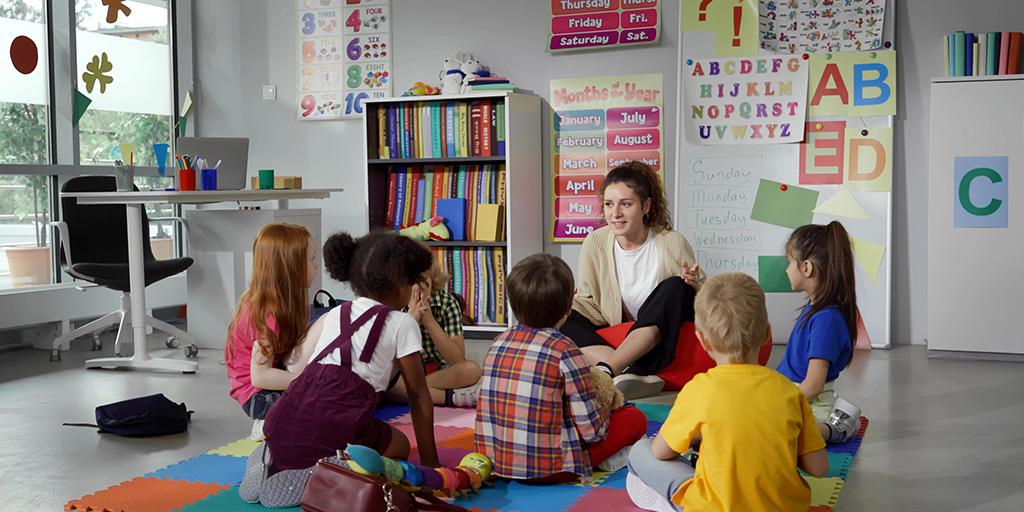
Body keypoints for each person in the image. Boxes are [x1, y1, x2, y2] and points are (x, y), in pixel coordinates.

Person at [241, 231, 441, 508]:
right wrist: (431, 463)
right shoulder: (402, 323)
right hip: (339, 421)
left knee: (306, 432)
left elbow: (302, 365)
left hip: (284, 416)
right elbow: (418, 395)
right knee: (401, 446)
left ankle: (273, 457)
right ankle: (331, 466)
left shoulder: (336, 313)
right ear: (400, 286)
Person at [626, 272, 828, 511]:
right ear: (766, 334)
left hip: (713, 506)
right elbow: (819, 468)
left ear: (703, 340)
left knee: (640, 450)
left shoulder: (699, 389)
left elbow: (661, 451)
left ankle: (671, 501)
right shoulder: (789, 391)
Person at [475, 253, 648, 484]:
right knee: (635, 417)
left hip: (498, 463)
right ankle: (610, 460)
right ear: (569, 308)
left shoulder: (497, 342)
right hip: (553, 468)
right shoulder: (565, 350)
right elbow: (592, 431)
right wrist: (608, 409)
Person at [563, 161, 706, 399]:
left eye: (626, 204)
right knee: (560, 315)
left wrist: (697, 285)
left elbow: (695, 302)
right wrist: (565, 306)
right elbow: (588, 301)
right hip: (615, 331)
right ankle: (628, 370)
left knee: (676, 286)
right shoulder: (595, 242)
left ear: (646, 206)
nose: (615, 214)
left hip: (660, 338)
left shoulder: (672, 242)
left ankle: (609, 369)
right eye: (609, 205)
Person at [225, 223, 318, 430]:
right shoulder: (270, 314)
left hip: (266, 386)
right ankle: (268, 425)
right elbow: (261, 376)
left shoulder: (277, 303)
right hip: (259, 398)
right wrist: (308, 382)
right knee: (328, 405)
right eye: (311, 259)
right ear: (291, 267)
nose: (317, 265)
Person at [778, 221, 863, 443]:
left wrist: (778, 405)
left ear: (806, 267)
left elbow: (814, 385)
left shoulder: (827, 319)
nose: (786, 270)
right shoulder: (816, 309)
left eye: (789, 263)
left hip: (809, 404)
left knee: (774, 433)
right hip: (791, 394)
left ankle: (834, 429)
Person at [386, 257, 482, 407]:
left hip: (438, 373)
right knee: (386, 383)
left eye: (424, 280)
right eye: (412, 281)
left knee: (472, 369)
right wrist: (410, 321)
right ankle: (449, 398)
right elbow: (388, 360)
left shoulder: (446, 302)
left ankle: (407, 393)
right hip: (402, 375)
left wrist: (429, 321)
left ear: (433, 279)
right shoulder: (392, 304)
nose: (419, 287)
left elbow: (457, 360)